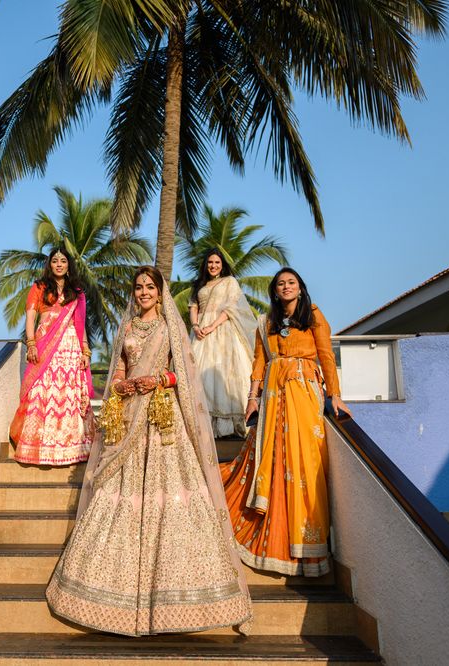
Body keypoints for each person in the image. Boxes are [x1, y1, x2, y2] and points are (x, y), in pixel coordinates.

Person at [46, 266, 252, 636]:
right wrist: (123, 385)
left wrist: (158, 379)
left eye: (149, 287)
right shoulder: (126, 328)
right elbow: (120, 371)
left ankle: (177, 598)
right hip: (130, 418)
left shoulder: (169, 327)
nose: (143, 292)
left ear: (160, 292)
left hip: (162, 417)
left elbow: (183, 374)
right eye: (139, 287)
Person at [221, 267, 350, 577]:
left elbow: (326, 356)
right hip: (273, 398)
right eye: (281, 284)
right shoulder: (266, 323)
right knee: (276, 460)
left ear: (300, 288)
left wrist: (335, 395)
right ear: (275, 291)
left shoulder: (313, 316)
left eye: (291, 282)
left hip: (304, 392)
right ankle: (273, 533)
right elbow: (259, 363)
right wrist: (252, 397)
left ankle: (306, 546)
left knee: (305, 462)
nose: (286, 287)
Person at [8, 246, 93, 466]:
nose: (59, 264)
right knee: (42, 391)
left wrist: (85, 349)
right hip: (45, 345)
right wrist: (31, 343)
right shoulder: (39, 287)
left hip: (70, 347)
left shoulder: (76, 290)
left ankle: (72, 448)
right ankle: (38, 446)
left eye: (63, 261)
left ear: (68, 265)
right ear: (50, 264)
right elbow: (30, 317)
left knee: (68, 394)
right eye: (55, 261)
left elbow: (80, 323)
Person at [188, 249, 257, 438]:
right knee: (198, 373)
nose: (213, 266)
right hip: (200, 332)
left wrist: (212, 326)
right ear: (205, 264)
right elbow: (193, 306)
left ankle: (229, 426)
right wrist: (195, 326)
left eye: (217, 262)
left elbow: (232, 307)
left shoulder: (230, 282)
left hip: (222, 329)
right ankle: (202, 425)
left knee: (223, 373)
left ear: (222, 264)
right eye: (210, 262)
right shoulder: (199, 284)